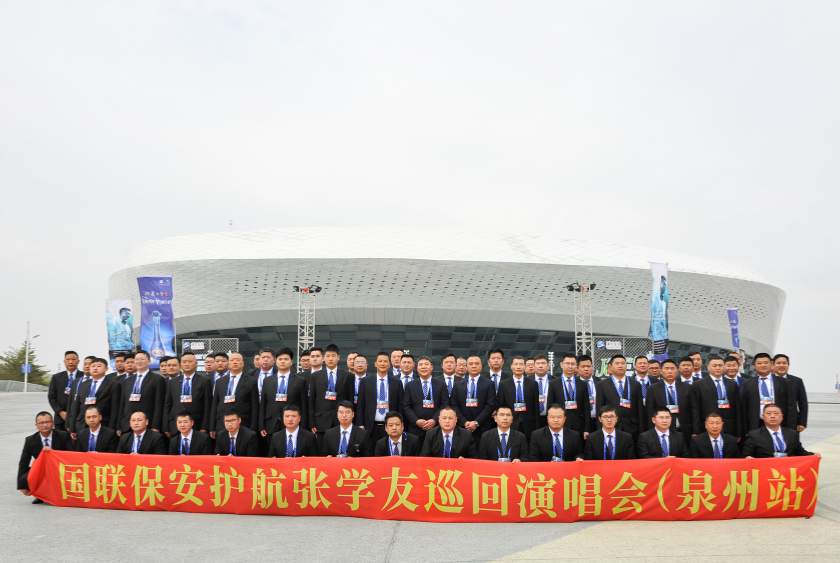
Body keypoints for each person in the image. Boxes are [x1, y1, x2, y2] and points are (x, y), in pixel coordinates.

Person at [18, 412, 70, 502]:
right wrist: (21, 485)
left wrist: (53, 453)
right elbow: (23, 463)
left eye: (47, 422)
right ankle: (40, 495)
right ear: (36, 425)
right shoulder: (30, 440)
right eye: (41, 423)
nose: (45, 425)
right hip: (41, 470)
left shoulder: (63, 436)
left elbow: (71, 455)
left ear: (53, 423)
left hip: (60, 468)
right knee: (29, 474)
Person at [740, 353, 795, 434]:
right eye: (759, 363)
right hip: (755, 424)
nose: (763, 365)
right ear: (754, 366)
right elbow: (743, 407)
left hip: (779, 423)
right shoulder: (747, 384)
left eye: (766, 363)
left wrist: (791, 427)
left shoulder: (784, 383)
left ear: (771, 364)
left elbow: (791, 406)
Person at [114, 350, 165, 436]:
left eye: (142, 359)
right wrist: (119, 425)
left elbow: (159, 404)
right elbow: (122, 404)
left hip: (148, 424)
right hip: (127, 425)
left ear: (149, 361)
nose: (139, 361)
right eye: (137, 359)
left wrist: (155, 425)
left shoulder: (157, 379)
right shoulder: (127, 381)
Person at [260, 348, 308, 438]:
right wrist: (261, 425)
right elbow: (263, 404)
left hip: (293, 423)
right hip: (271, 423)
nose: (283, 361)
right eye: (280, 359)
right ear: (276, 361)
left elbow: (304, 405)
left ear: (291, 362)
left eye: (286, 359)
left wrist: (303, 426)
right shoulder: (267, 381)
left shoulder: (300, 381)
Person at [357, 354, 403, 447]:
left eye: (385, 361)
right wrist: (360, 424)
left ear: (389, 364)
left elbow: (400, 405)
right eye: (380, 361)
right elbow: (361, 404)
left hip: (390, 426)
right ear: (375, 364)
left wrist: (400, 424)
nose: (382, 363)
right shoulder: (366, 381)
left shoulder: (397, 382)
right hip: (370, 426)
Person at [209, 352, 259, 435]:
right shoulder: (219, 382)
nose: (235, 362)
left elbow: (255, 406)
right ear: (228, 363)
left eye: (238, 360)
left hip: (243, 424)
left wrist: (253, 427)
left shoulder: (251, 381)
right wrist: (212, 427)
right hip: (222, 424)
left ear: (243, 363)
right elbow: (214, 405)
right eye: (232, 360)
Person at [690, 355, 740, 437]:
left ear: (724, 367)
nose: (718, 368)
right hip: (707, 427)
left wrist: (738, 431)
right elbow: (695, 409)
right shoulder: (698, 385)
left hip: (729, 428)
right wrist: (696, 430)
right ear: (708, 367)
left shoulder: (732, 384)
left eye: (720, 365)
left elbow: (737, 408)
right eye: (714, 366)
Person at [163, 352, 212, 436]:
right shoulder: (173, 382)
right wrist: (166, 426)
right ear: (180, 365)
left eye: (190, 361)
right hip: (175, 426)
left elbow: (207, 406)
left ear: (196, 364)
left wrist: (204, 427)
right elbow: (167, 405)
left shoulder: (204, 381)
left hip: (197, 425)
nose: (187, 364)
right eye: (184, 362)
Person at [596, 355, 645, 438]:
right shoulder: (602, 385)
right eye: (617, 363)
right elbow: (599, 408)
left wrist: (641, 430)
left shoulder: (635, 384)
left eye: (623, 363)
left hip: (632, 427)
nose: (620, 365)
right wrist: (600, 430)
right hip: (611, 426)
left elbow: (640, 408)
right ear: (610, 366)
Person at [451, 355, 496, 444]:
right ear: (466, 367)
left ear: (481, 366)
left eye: (477, 363)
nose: (474, 366)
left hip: (482, 427)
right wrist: (464, 422)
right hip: (462, 427)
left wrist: (476, 422)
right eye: (471, 364)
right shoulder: (457, 385)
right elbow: (454, 405)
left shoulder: (489, 384)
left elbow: (490, 405)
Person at [402, 356, 447, 445]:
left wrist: (434, 420)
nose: (423, 367)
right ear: (417, 368)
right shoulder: (410, 385)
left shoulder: (441, 384)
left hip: (435, 428)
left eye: (426, 364)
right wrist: (416, 421)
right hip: (415, 429)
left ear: (432, 367)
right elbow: (406, 406)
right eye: (421, 364)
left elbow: (444, 405)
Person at [67, 357, 117, 437]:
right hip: (82, 425)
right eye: (93, 366)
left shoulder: (113, 385)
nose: (95, 368)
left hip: (103, 425)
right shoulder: (83, 384)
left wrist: (111, 429)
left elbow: (115, 409)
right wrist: (72, 427)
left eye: (99, 366)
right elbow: (75, 406)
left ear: (106, 369)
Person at [742, 404, 813, 458]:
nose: (772, 416)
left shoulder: (792, 434)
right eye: (768, 413)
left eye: (776, 413)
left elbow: (800, 452)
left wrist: (813, 455)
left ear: (782, 417)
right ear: (763, 417)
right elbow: (746, 454)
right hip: (765, 470)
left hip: (787, 469)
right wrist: (748, 457)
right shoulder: (754, 435)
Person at [647, 359, 693, 442]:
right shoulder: (653, 388)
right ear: (661, 371)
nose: (669, 371)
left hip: (684, 428)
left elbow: (693, 409)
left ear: (677, 370)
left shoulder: (687, 387)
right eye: (666, 368)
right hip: (662, 429)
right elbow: (650, 411)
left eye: (672, 368)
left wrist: (695, 430)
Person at [308, 346, 347, 438]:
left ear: (338, 357)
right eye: (328, 356)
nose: (330, 359)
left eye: (333, 356)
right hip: (320, 420)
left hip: (341, 419)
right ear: (323, 358)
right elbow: (311, 400)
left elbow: (349, 399)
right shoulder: (315, 376)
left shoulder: (346, 375)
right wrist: (312, 422)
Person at [547, 354, 591, 435]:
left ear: (576, 366)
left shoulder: (582, 384)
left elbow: (586, 408)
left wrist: (587, 429)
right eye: (567, 363)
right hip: (559, 425)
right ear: (561, 365)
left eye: (573, 364)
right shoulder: (553, 384)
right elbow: (550, 406)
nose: (570, 366)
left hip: (579, 426)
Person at [497, 356, 539, 438]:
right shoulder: (503, 384)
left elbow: (536, 407)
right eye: (516, 364)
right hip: (510, 422)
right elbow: (501, 405)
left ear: (525, 366)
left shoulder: (533, 384)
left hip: (529, 423)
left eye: (521, 364)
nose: (518, 367)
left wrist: (537, 426)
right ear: (511, 366)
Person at [47, 350, 82, 431]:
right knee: (61, 438)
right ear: (64, 361)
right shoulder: (56, 377)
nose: (70, 362)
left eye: (73, 359)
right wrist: (60, 412)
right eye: (68, 359)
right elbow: (51, 397)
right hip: (60, 418)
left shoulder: (84, 376)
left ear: (78, 361)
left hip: (79, 418)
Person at [773, 354, 809, 433]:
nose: (781, 365)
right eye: (778, 363)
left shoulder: (797, 381)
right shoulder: (767, 380)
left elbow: (803, 403)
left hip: (792, 423)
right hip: (771, 421)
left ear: (788, 365)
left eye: (784, 363)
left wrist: (802, 423)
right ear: (773, 365)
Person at [577, 354, 599, 430]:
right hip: (580, 422)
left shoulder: (600, 382)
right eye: (583, 367)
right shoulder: (574, 383)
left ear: (592, 367)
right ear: (577, 368)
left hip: (598, 421)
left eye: (588, 366)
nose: (586, 369)